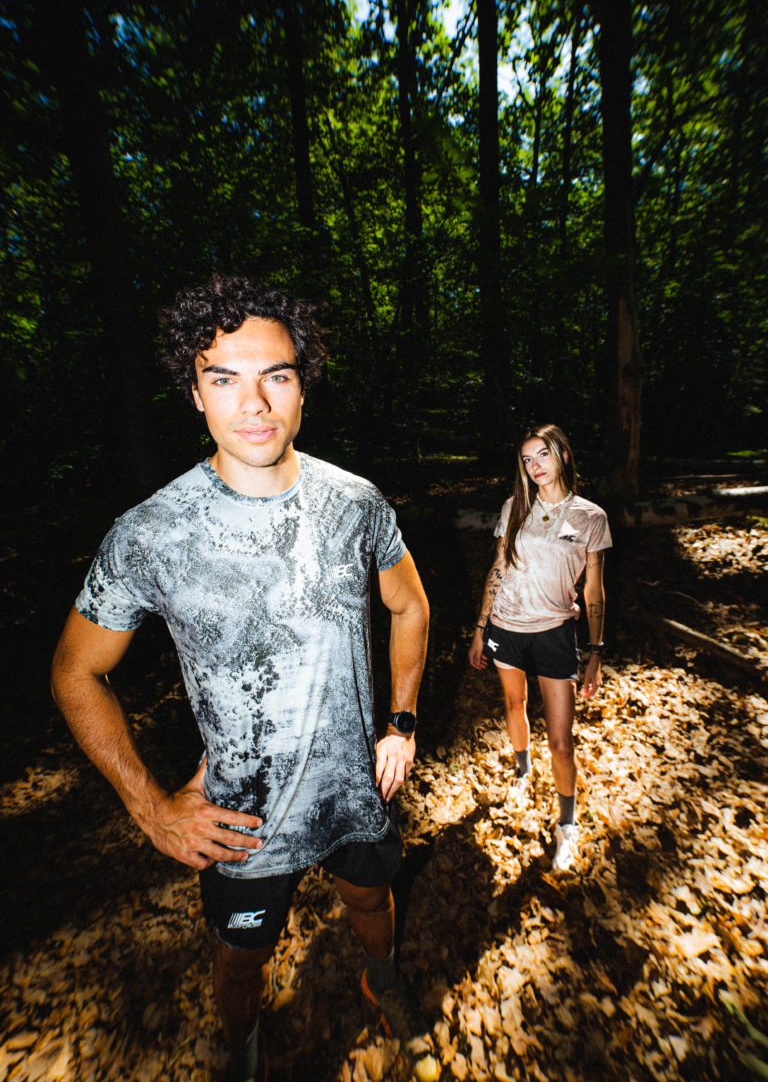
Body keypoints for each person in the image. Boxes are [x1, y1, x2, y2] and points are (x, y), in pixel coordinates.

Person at [51, 275, 437, 1082]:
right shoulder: (150, 535)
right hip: (243, 825)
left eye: (277, 376)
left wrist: (401, 726)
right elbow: (75, 672)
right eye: (224, 378)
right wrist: (151, 807)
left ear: (303, 386)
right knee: (239, 961)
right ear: (194, 393)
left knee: (372, 903)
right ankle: (244, 1048)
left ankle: (383, 976)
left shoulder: (356, 504)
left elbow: (411, 606)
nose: (254, 403)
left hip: (354, 796)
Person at [468, 423, 611, 872]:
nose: (535, 466)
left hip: (554, 632)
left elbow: (594, 589)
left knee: (561, 742)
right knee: (514, 705)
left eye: (543, 455)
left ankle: (567, 824)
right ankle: (523, 770)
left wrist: (595, 652)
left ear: (563, 455)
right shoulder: (515, 507)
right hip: (506, 626)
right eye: (527, 460)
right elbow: (498, 566)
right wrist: (480, 627)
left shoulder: (590, 517)